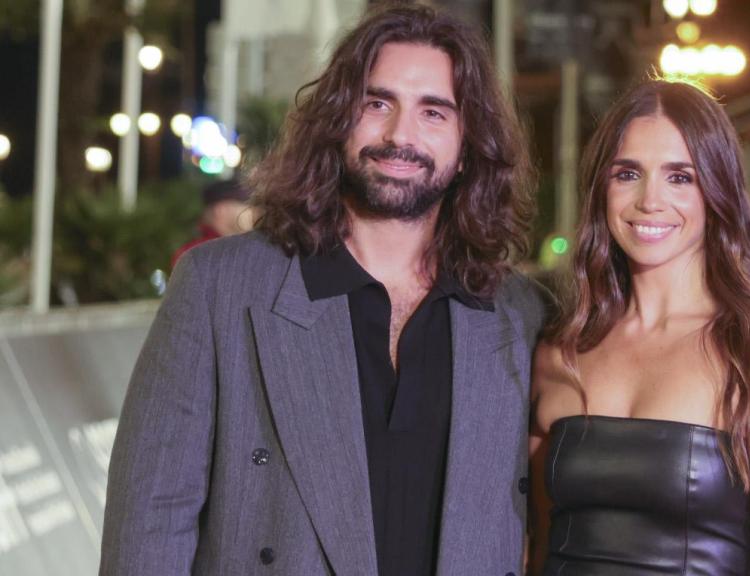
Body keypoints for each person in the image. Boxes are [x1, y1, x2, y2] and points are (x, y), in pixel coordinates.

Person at [101, 4, 546, 575]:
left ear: (468, 146)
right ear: (338, 120)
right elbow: (149, 524)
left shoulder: (519, 314)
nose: (399, 135)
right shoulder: (220, 289)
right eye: (377, 103)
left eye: (433, 113)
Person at [529, 80, 750, 575]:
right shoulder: (559, 353)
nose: (650, 200)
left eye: (680, 177)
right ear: (601, 188)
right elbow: (540, 547)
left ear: (717, 191)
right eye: (628, 174)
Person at [170, 178, 254, 269]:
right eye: (246, 205)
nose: (252, 212)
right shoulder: (198, 256)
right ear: (222, 210)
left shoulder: (192, 254)